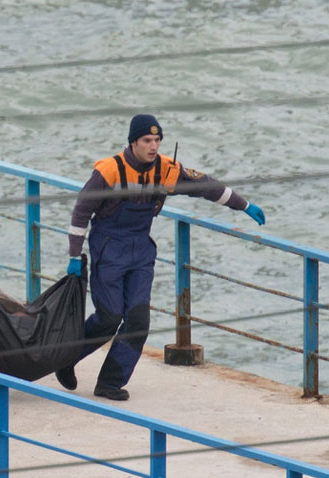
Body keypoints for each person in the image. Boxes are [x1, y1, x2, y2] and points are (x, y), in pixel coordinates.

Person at [56, 114, 266, 401]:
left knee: (138, 320)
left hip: (141, 252)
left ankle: (110, 383)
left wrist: (244, 205)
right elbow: (82, 211)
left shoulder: (167, 170)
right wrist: (74, 254)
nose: (153, 146)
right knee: (109, 317)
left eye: (157, 140)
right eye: (147, 140)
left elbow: (205, 186)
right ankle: (65, 358)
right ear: (133, 142)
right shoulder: (110, 171)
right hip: (109, 248)